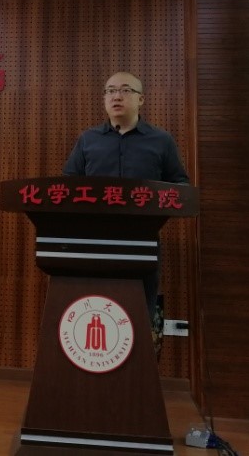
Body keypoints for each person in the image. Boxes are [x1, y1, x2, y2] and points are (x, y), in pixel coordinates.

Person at [63, 71, 190, 345]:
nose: (116, 96)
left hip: (142, 241)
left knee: (138, 314)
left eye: (125, 90)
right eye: (110, 91)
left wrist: (157, 211)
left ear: (141, 99)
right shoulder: (88, 139)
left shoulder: (161, 140)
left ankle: (136, 364)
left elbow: (180, 185)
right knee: (96, 307)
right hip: (94, 241)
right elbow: (69, 185)